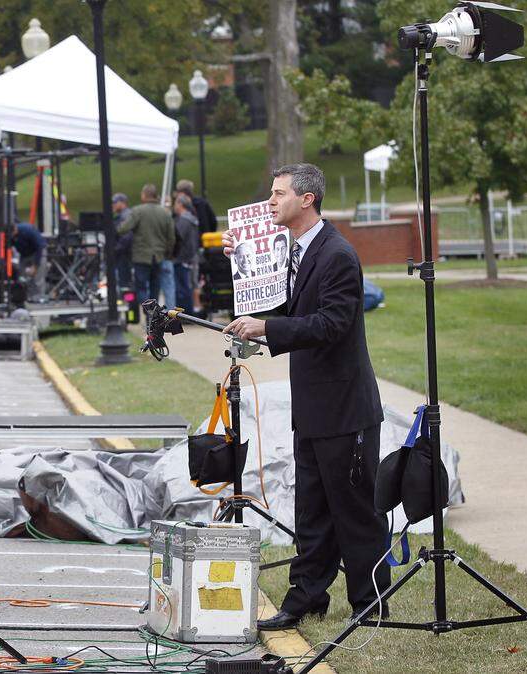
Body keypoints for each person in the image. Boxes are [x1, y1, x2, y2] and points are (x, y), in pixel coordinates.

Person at [224, 163, 389, 630]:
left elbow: (331, 325)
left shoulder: (337, 255)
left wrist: (268, 329)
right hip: (313, 406)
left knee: (354, 509)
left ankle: (371, 603)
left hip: (345, 408)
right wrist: (242, 265)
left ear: (307, 199)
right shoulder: (292, 252)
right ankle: (306, 598)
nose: (271, 202)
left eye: (278, 194)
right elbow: (284, 309)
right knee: (312, 508)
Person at [117, 184, 176, 310]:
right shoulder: (165, 213)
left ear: (144, 195)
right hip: (159, 256)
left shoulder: (137, 211)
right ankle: (154, 313)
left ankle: (148, 312)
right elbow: (171, 237)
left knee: (141, 287)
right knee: (155, 287)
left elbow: (123, 229)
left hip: (141, 256)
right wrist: (168, 253)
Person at [172, 194, 201, 314]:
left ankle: (186, 313)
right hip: (191, 257)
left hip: (182, 258)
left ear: (180, 204)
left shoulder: (183, 221)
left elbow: (176, 237)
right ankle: (192, 310)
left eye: (175, 203)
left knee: (183, 288)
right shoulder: (192, 219)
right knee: (191, 285)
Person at [13, 222, 48, 303]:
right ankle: (26, 297)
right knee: (22, 276)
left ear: (15, 229)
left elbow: (39, 247)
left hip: (38, 251)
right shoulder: (12, 235)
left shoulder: (28, 230)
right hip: (25, 253)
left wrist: (35, 266)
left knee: (38, 277)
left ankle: (39, 298)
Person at [112, 193, 134, 294]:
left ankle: (128, 305)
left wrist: (115, 249)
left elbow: (126, 237)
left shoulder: (125, 216)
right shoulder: (124, 215)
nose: (113, 205)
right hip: (125, 254)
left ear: (122, 203)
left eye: (115, 202)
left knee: (125, 285)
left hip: (125, 256)